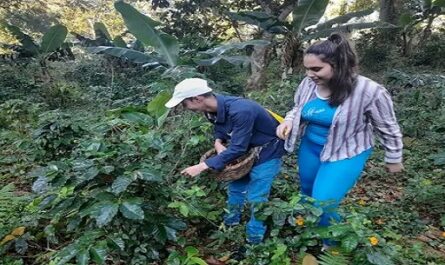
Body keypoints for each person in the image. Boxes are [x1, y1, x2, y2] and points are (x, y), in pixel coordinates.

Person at [276, 33, 404, 247]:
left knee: (323, 202)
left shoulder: (369, 91)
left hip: (346, 151)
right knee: (307, 192)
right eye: (307, 69)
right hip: (311, 147)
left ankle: (332, 247)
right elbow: (298, 108)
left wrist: (394, 157)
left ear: (338, 65)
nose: (309, 75)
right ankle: (312, 230)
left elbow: (388, 127)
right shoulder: (308, 85)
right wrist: (288, 121)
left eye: (316, 69)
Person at [165, 78, 285, 244]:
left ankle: (254, 239)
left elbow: (238, 148)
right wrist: (218, 142)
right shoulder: (210, 110)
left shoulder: (241, 110)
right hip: (244, 150)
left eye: (184, 103)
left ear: (197, 98)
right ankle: (230, 225)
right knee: (236, 187)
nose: (184, 108)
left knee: (257, 195)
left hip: (268, 150)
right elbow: (220, 129)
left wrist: (202, 166)